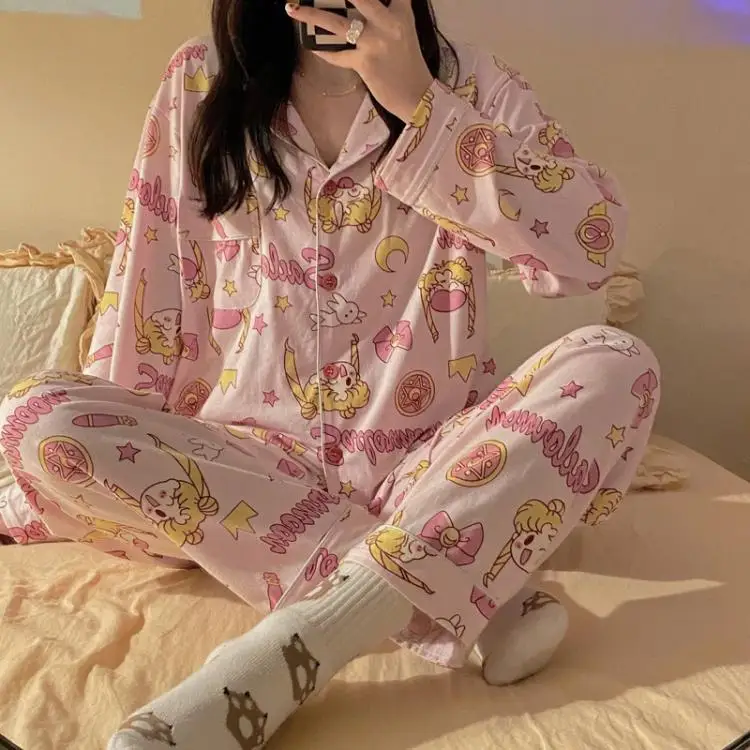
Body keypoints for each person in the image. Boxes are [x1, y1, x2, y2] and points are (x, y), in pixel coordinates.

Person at [0, 0, 661, 746]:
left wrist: (421, 105)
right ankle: (461, 593)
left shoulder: (474, 85)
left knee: (618, 364)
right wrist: (108, 465)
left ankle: (299, 646)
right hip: (251, 472)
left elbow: (590, 248)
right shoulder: (201, 79)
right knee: (33, 417)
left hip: (430, 467)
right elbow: (153, 285)